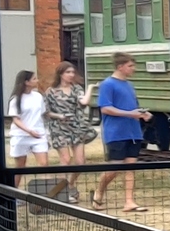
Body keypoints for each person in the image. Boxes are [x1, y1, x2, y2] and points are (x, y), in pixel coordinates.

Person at [89, 53, 152, 212]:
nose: (133, 69)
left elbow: (133, 106)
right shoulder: (108, 84)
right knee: (114, 168)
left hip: (133, 132)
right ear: (120, 67)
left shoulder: (130, 85)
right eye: (130, 66)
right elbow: (105, 108)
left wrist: (143, 114)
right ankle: (99, 192)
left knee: (131, 167)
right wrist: (130, 114)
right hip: (116, 132)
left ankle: (129, 201)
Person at [42, 61, 93, 202]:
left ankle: (70, 185)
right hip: (59, 128)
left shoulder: (76, 88)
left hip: (76, 127)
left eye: (73, 72)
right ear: (60, 74)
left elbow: (84, 102)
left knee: (80, 162)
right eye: (68, 72)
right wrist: (59, 116)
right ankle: (62, 191)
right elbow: (46, 112)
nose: (71, 75)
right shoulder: (51, 91)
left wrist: (90, 88)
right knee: (65, 160)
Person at [6, 70, 48, 175]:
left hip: (38, 134)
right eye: (34, 79)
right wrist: (28, 131)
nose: (37, 80)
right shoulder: (15, 99)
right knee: (20, 167)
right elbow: (16, 119)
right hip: (21, 135)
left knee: (44, 164)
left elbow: (42, 113)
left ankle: (44, 189)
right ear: (26, 82)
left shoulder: (38, 96)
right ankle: (14, 189)